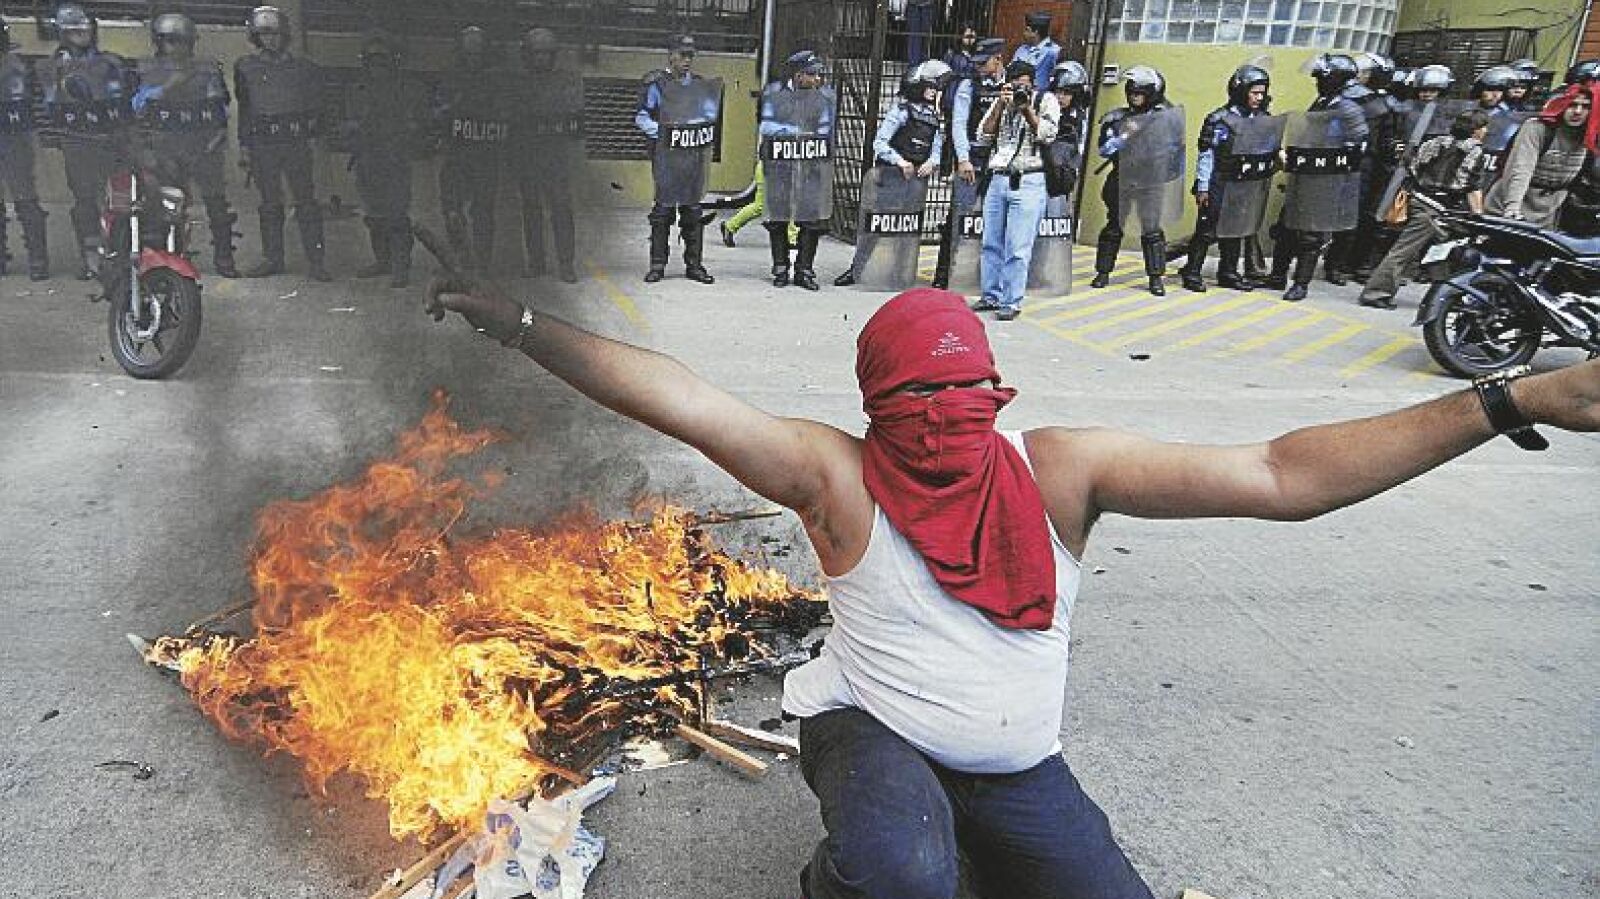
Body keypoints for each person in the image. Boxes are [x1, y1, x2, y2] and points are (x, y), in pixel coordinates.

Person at [424, 277, 1600, 899]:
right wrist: (525, 325)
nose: (947, 419)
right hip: (869, 724)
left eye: (966, 393)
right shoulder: (838, 475)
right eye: (916, 401)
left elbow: (1282, 473)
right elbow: (682, 397)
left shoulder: (1061, 469)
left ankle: (963, 835)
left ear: (998, 388)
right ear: (875, 406)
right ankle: (840, 879)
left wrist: (1505, 399)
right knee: (901, 872)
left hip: (1015, 756)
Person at [132, 13, 239, 279]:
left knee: (216, 203)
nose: (175, 47)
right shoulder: (148, 70)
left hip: (202, 144)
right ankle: (172, 254)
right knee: (168, 204)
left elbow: (219, 107)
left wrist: (217, 137)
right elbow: (138, 106)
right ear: (159, 42)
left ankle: (224, 257)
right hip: (166, 145)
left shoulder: (207, 70)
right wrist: (169, 87)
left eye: (181, 41)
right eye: (170, 41)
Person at [1357, 109, 1490, 310]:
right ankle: (1376, 293)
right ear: (1476, 130)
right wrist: (1478, 216)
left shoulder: (1435, 142)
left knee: (1439, 252)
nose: (1486, 131)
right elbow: (1472, 186)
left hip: (1419, 201)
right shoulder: (1474, 152)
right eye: (1483, 127)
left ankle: (1443, 298)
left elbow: (1413, 166)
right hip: (1437, 209)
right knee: (1405, 252)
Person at [234, 5, 330, 281]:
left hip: (295, 141)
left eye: (275, 34)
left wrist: (316, 139)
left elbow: (317, 107)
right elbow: (245, 109)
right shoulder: (246, 67)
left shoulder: (304, 68)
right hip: (263, 143)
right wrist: (244, 145)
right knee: (270, 202)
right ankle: (273, 258)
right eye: (264, 34)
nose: (270, 40)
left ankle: (316, 261)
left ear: (284, 35)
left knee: (306, 201)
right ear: (256, 36)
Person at [1262, 53, 1368, 303]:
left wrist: (1329, 160)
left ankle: (1301, 284)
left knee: (1311, 235)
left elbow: (1357, 146)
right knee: (1286, 228)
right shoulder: (1322, 102)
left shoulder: (1348, 109)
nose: (1318, 82)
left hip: (1326, 180)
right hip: (1305, 175)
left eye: (1322, 78)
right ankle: (1278, 276)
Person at [833, 60, 948, 288]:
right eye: (930, 86)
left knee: (907, 227)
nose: (934, 91)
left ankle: (900, 273)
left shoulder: (935, 117)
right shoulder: (901, 111)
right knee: (876, 225)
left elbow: (937, 149)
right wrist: (900, 161)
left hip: (916, 180)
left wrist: (932, 163)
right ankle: (857, 269)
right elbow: (880, 143)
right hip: (892, 176)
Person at [39, 4, 129, 280]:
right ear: (62, 33)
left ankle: (121, 252)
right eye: (75, 30)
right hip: (77, 140)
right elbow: (49, 105)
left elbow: (123, 99)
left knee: (120, 199)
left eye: (86, 28)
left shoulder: (111, 63)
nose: (83, 34)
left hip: (112, 139)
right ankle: (91, 257)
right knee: (85, 200)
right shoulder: (52, 67)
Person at [967, 60, 1060, 320]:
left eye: (1024, 85)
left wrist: (1026, 108)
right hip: (998, 177)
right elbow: (983, 136)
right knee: (990, 243)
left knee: (1018, 247)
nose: (1019, 89)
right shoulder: (1002, 100)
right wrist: (1000, 104)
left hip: (1029, 179)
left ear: (1032, 84)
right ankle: (990, 295)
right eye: (1014, 84)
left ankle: (1011, 301)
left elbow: (1047, 134)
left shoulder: (1045, 100)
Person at [1177, 64, 1276, 293]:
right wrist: (1203, 186)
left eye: (1262, 93)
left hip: (1245, 183)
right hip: (1219, 181)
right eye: (1254, 93)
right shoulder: (1219, 119)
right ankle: (1192, 271)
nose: (1259, 98)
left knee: (1236, 229)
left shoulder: (1262, 119)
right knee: (1206, 230)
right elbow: (1207, 154)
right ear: (1241, 91)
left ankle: (1228, 272)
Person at [340, 31, 426, 289]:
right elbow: (348, 121)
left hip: (394, 157)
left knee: (396, 213)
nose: (377, 66)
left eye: (383, 61)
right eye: (372, 61)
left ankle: (400, 265)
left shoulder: (406, 89)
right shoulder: (356, 90)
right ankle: (383, 260)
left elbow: (417, 122)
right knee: (373, 213)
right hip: (368, 157)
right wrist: (354, 130)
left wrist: (402, 134)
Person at [635, 34, 719, 285]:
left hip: (692, 156)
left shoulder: (699, 85)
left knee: (692, 211)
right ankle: (657, 265)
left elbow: (708, 117)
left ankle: (694, 265)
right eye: (682, 55)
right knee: (663, 211)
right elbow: (642, 116)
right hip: (667, 156)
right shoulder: (657, 84)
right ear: (671, 55)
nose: (687, 60)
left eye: (690, 55)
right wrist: (663, 133)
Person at [1090, 65, 1179, 296]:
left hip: (1150, 182)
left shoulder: (1163, 120)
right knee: (1114, 226)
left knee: (1151, 229)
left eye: (1140, 93)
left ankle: (1155, 277)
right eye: (1132, 92)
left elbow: (1174, 149)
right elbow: (1104, 150)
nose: (1134, 97)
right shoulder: (1117, 118)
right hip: (1122, 178)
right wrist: (1124, 135)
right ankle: (1103, 272)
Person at [433, 26, 511, 274]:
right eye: (469, 55)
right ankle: (460, 259)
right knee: (452, 208)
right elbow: (438, 111)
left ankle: (482, 264)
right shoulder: (451, 78)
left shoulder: (497, 81)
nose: (473, 59)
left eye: (477, 54)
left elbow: (507, 114)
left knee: (483, 211)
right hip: (457, 154)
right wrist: (451, 109)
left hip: (485, 155)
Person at [932, 36, 1006, 290]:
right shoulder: (968, 85)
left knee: (994, 222)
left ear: (998, 60)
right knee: (959, 217)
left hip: (999, 162)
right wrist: (963, 159)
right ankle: (944, 275)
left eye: (984, 62)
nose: (978, 67)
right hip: (972, 159)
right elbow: (959, 124)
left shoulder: (1010, 85)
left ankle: (983, 277)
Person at [758, 50, 835, 291]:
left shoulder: (822, 98)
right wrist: (793, 133)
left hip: (810, 166)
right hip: (780, 164)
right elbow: (766, 126)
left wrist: (812, 139)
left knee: (810, 220)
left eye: (818, 74)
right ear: (798, 75)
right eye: (812, 74)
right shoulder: (775, 94)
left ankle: (804, 270)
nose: (817, 79)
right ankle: (780, 268)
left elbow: (825, 129)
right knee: (778, 217)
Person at [512, 28, 582, 283]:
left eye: (546, 54)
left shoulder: (566, 81)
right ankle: (536, 261)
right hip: (528, 154)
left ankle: (566, 263)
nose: (541, 58)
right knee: (531, 210)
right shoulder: (520, 84)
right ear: (527, 56)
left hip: (555, 155)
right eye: (536, 53)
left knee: (561, 209)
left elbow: (573, 113)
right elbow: (515, 117)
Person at [1324, 52, 1400, 285]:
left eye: (1366, 73)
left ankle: (1345, 263)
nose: (1360, 77)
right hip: (1339, 162)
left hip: (1366, 167)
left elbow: (1386, 142)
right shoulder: (1339, 99)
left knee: (1359, 217)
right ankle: (1335, 263)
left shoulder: (1383, 105)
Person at [1483, 80, 1597, 226]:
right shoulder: (1537, 128)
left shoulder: (1591, 136)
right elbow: (1521, 169)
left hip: (1548, 213)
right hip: (1505, 208)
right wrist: (1512, 208)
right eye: (1572, 104)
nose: (1578, 111)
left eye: (1586, 106)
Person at [0, 19, 49, 280]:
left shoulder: (14, 67)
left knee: (25, 197)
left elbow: (22, 105)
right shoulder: (16, 65)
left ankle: (38, 258)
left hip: (14, 136)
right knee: (24, 197)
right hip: (15, 136)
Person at [1010, 12, 1060, 96]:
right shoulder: (1021, 50)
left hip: (1039, 97)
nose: (1024, 33)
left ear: (1035, 32)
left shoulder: (1054, 51)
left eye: (1027, 30)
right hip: (1017, 95)